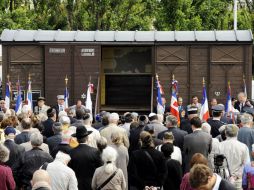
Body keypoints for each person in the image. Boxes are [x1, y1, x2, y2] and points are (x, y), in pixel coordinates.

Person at [69, 125, 102, 190]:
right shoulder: (95, 151)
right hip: (91, 184)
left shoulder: (71, 152)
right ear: (87, 138)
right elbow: (100, 168)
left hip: (76, 184)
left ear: (77, 139)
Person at [217, 124, 250, 189]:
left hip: (223, 180)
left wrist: (228, 176)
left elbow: (218, 164)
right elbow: (246, 164)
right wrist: (234, 176)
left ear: (225, 133)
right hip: (237, 180)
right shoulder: (243, 147)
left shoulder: (219, 146)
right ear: (237, 133)